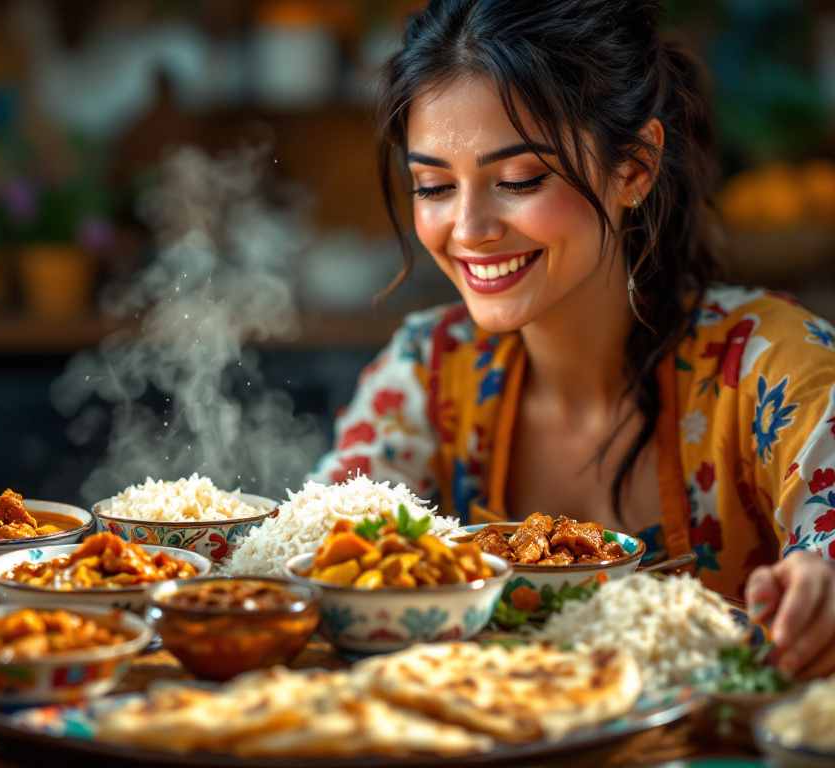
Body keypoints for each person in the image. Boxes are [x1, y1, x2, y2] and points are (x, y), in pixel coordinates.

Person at [308, 0, 835, 678]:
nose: (468, 229)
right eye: (433, 186)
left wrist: (822, 584)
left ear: (634, 167)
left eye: (519, 180)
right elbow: (325, 541)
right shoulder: (426, 372)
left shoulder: (773, 369)